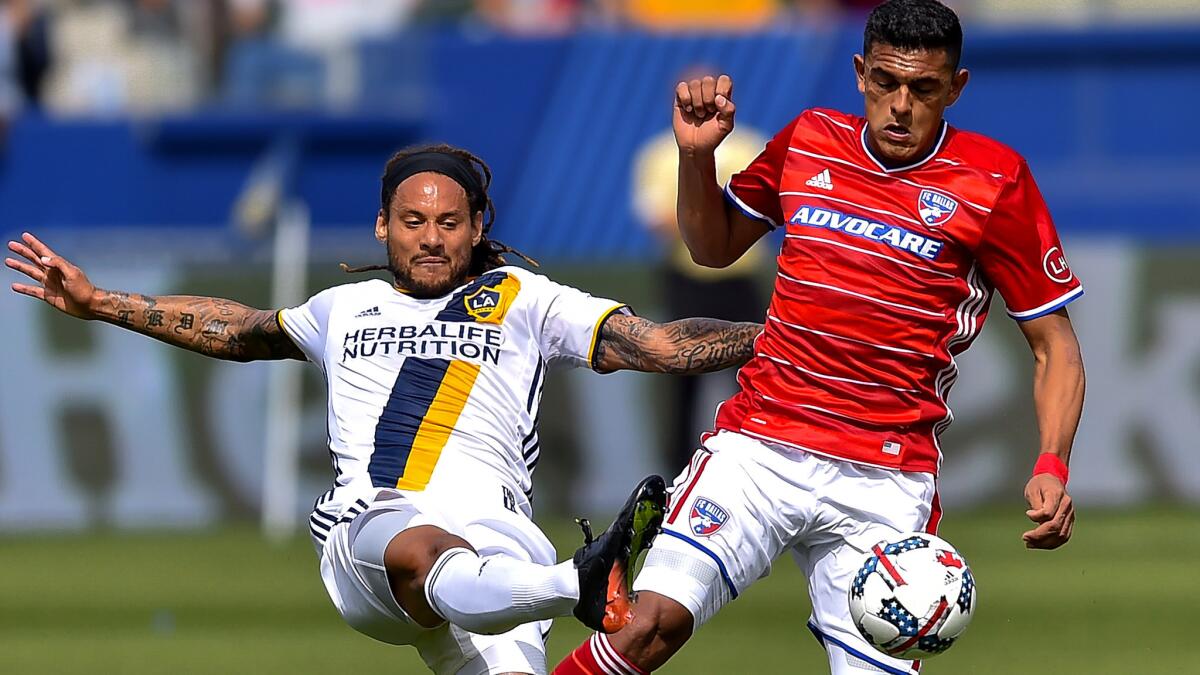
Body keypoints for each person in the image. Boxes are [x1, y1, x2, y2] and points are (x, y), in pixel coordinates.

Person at [5, 143, 763, 675]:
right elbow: (240, 330)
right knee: (421, 544)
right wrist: (101, 301)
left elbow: (662, 346)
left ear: (476, 228)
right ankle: (579, 585)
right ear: (382, 226)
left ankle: (566, 583)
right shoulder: (345, 306)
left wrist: (790, 333)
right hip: (376, 530)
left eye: (449, 223)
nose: (430, 238)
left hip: (503, 553)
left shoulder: (530, 301)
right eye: (412, 221)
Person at [552, 1, 1085, 674]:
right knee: (648, 625)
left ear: (956, 88)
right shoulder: (807, 139)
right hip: (759, 447)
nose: (900, 105)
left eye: (923, 89)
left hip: (885, 477)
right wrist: (696, 158)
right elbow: (712, 246)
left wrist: (1052, 463)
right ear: (860, 73)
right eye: (885, 81)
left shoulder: (994, 181)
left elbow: (1054, 344)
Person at [633, 119, 769, 470]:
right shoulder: (660, 154)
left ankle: (756, 466)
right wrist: (718, 217)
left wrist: (697, 214)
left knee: (755, 380)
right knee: (681, 383)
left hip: (739, 280)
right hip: (688, 278)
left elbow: (770, 209)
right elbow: (656, 219)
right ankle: (676, 476)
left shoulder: (750, 146)